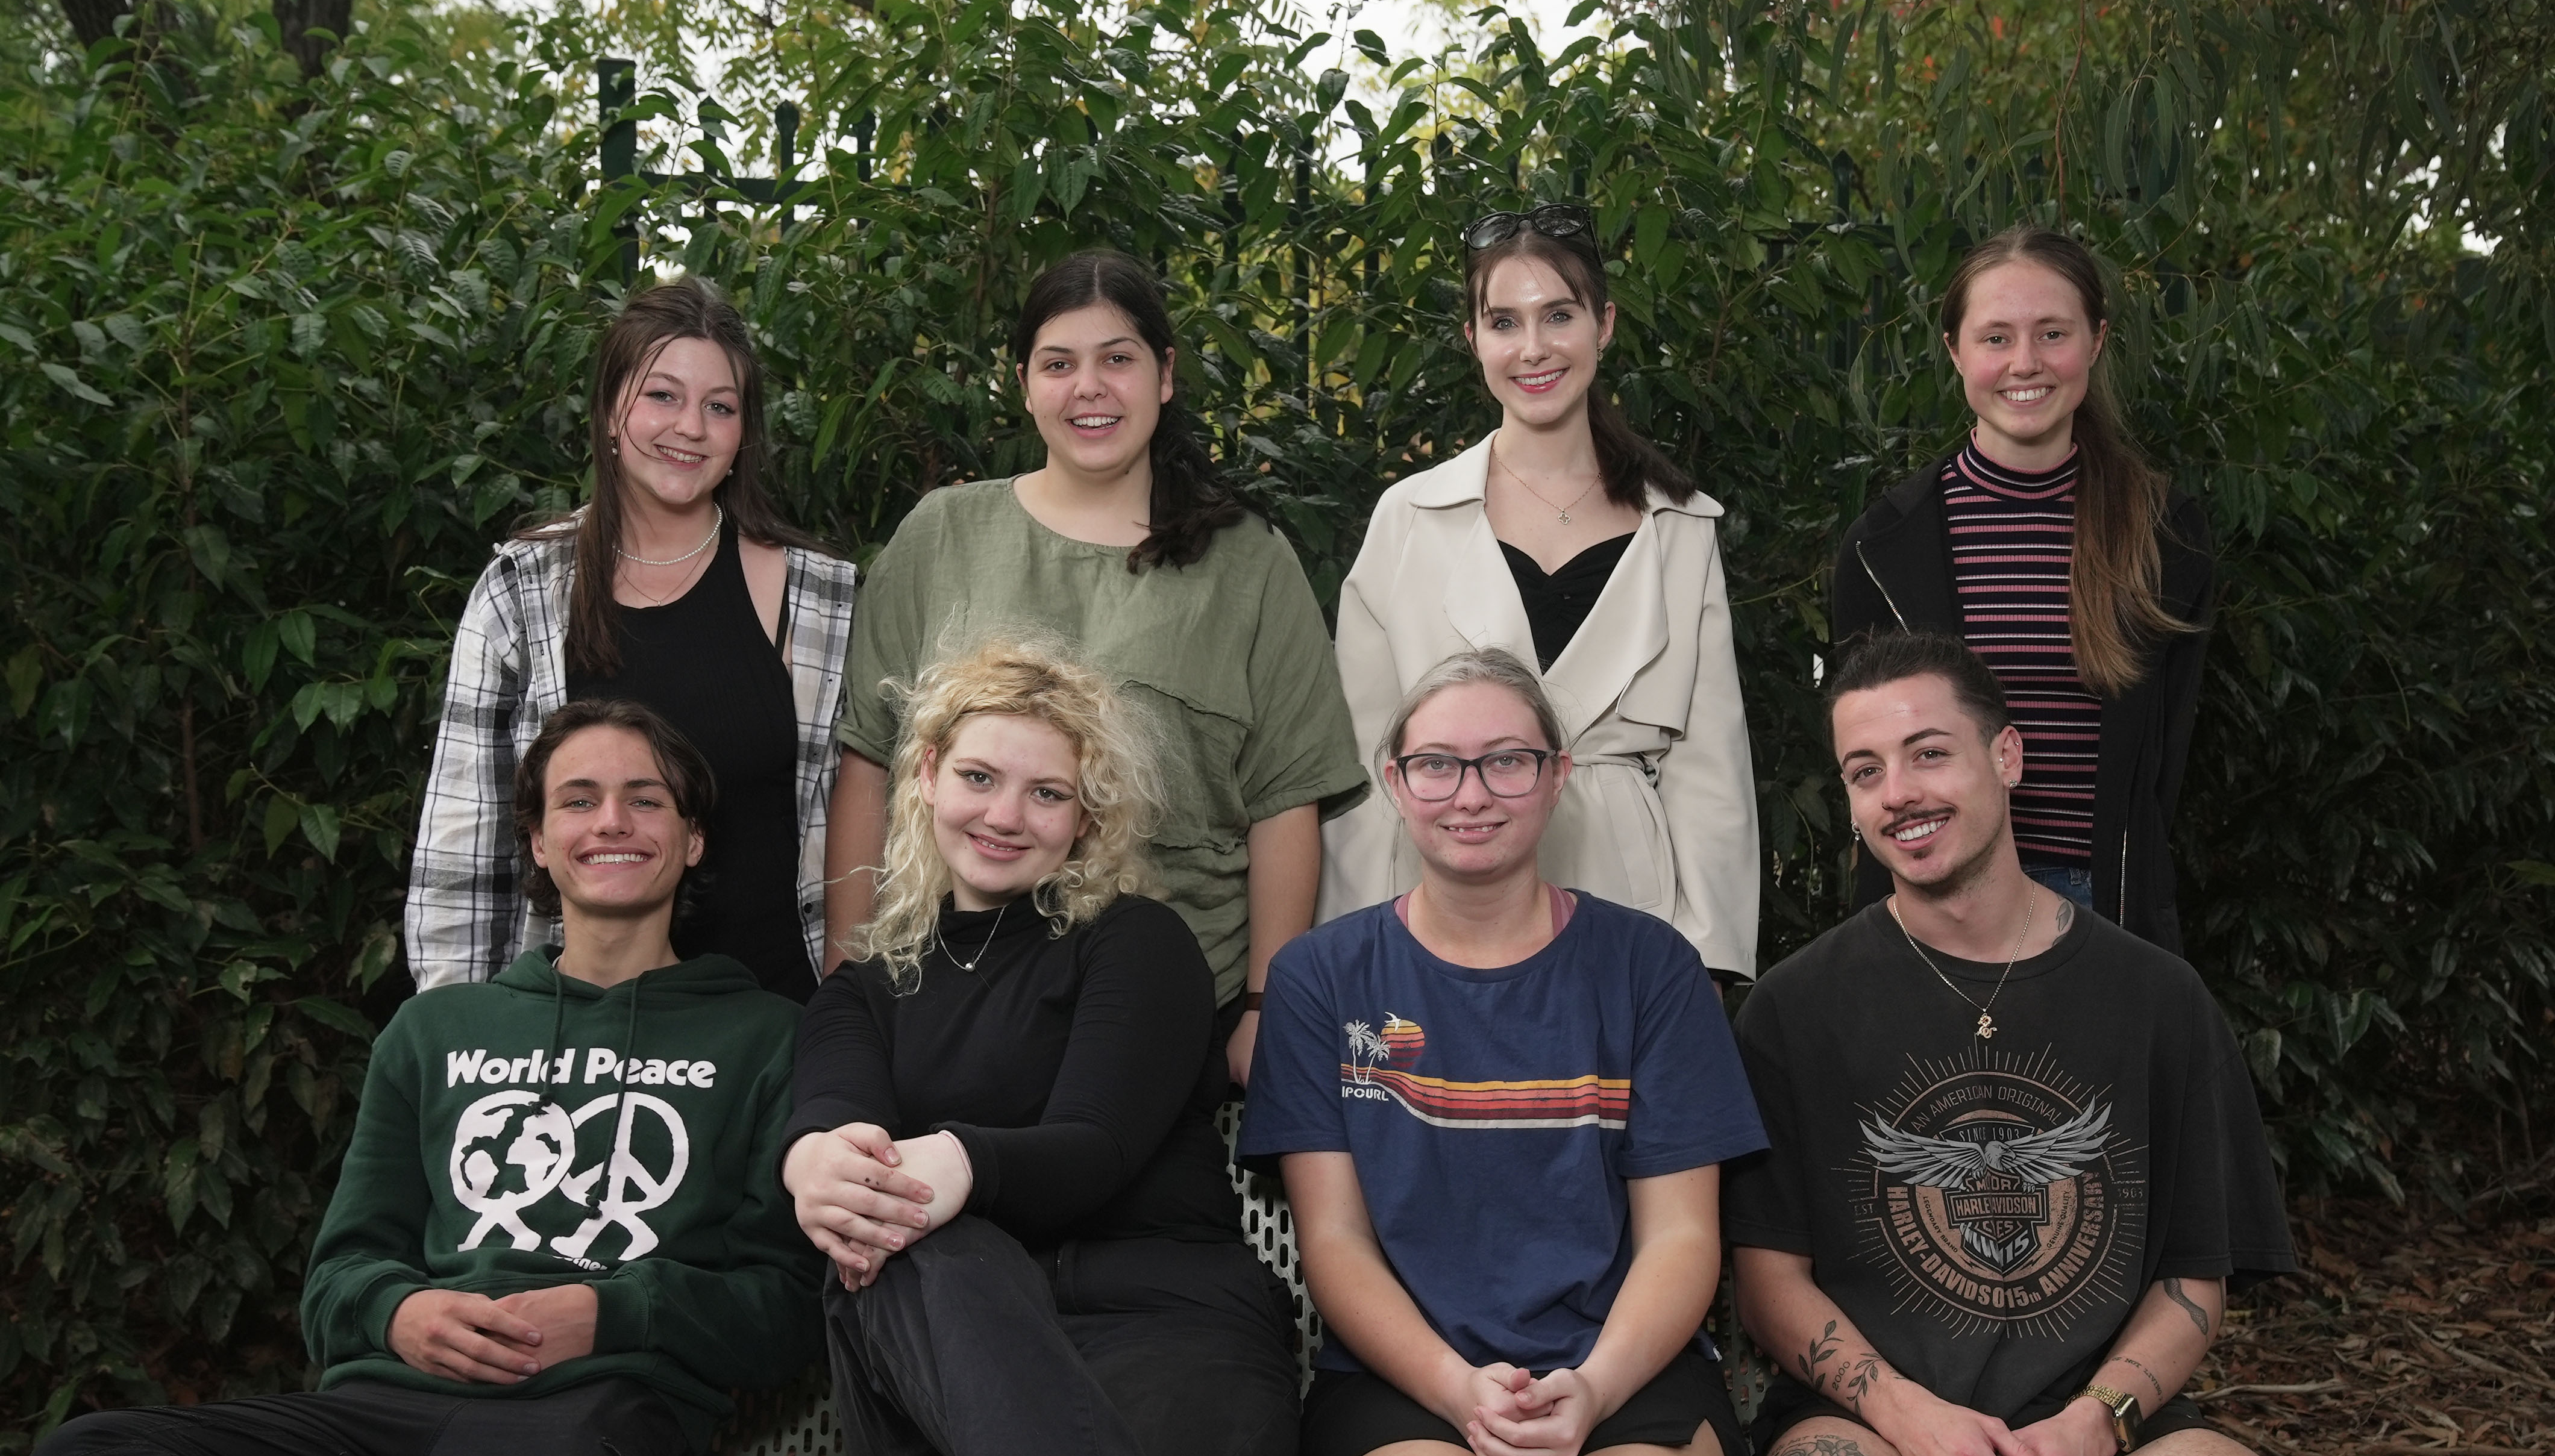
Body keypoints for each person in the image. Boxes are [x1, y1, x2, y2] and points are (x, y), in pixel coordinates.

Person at [17, 700, 823, 1456]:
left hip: (591, 1418)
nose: (611, 821)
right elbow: (338, 1280)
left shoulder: (771, 1036)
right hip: (381, 1419)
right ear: (538, 838)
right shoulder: (432, 1030)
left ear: (692, 839)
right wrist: (399, 1312)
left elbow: (787, 1311)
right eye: (579, 799)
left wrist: (610, 1310)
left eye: (643, 799)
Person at [1723, 631, 2398, 1456]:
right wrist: (1911, 1414)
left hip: (2107, 1429)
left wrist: (2097, 1426)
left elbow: (2192, 1277)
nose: (1899, 792)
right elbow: (1766, 1276)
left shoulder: (2157, 1000)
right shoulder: (1794, 1009)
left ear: (2009, 757)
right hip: (1877, 1427)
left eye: (1929, 752)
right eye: (1866, 771)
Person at [1242, 648, 1766, 1456]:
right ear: (1394, 784)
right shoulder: (1320, 978)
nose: (1471, 793)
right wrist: (1456, 1389)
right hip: (1403, 1383)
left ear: (1558, 775)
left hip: (1629, 1375)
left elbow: (1683, 1238)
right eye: (1437, 763)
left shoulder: (1650, 966)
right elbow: (1335, 1241)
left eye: (1507, 762)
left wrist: (1591, 1386)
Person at [785, 636, 1302, 1456]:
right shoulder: (865, 989)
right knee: (923, 1238)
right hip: (945, 1404)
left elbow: (1096, 1151)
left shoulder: (1135, 942)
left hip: (1170, 1347)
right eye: (979, 776)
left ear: (1087, 819)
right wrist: (814, 1163)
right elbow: (838, 1129)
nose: (1005, 814)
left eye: (1047, 793)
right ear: (925, 775)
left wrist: (959, 1162)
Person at [830, 249, 1368, 1087]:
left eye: (1117, 359)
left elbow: (1287, 797)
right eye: (1059, 363)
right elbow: (870, 758)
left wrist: (1268, 1004)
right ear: (1023, 383)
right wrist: (850, 965)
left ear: (1164, 376)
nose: (1089, 387)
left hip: (1175, 1004)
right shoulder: (943, 536)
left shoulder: (1249, 564)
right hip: (949, 997)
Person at [1319, 202, 1758, 988]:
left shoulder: (1680, 526)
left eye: (1559, 315)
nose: (1533, 349)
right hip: (1441, 908)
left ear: (1604, 324)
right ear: (1473, 340)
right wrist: (1356, 947)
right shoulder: (1410, 519)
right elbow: (1364, 760)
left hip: (1629, 907)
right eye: (1504, 322)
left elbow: (1710, 768)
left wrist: (1710, 961)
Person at [409, 276, 862, 1002]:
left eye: (720, 407)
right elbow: (462, 849)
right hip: (569, 1038)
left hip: (778, 1026)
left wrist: (852, 1022)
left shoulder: (821, 596)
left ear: (744, 435)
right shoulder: (524, 591)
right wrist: (457, 1039)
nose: (690, 427)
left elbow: (865, 837)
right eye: (663, 396)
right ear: (611, 410)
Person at [1831, 225, 2213, 953]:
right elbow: (1865, 760)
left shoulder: (2168, 536)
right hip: (1934, 905)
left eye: (2052, 333)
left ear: (2096, 341)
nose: (2025, 363)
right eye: (1996, 338)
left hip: (2103, 908)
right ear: (1955, 352)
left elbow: (2164, 762)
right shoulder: (1882, 547)